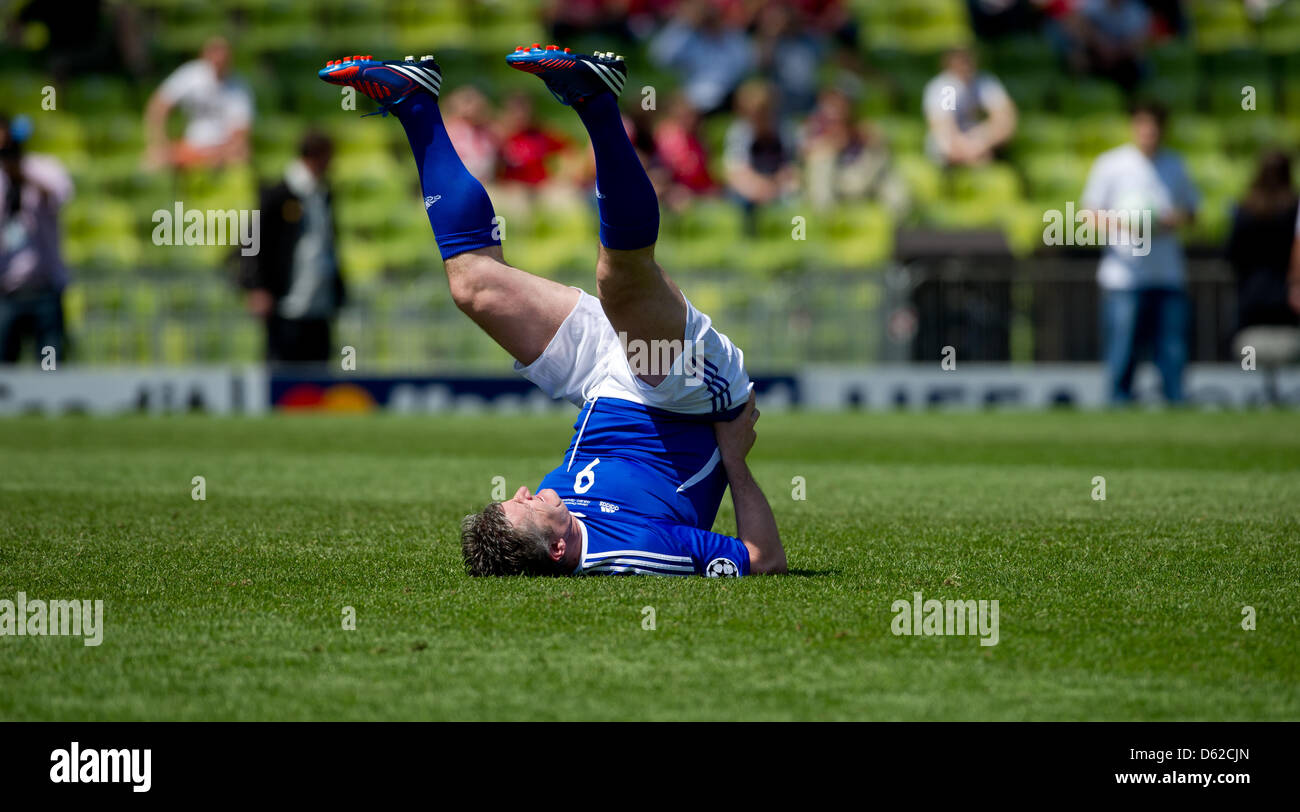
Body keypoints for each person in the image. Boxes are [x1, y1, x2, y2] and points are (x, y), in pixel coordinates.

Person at [319, 46, 786, 577]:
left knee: (474, 287)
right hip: (684, 398)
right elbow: (763, 561)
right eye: (525, 506)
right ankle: (597, 101)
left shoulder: (554, 520)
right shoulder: (629, 549)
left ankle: (414, 101)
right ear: (558, 550)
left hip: (599, 384)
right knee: (618, 279)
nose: (524, 490)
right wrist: (736, 462)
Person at [1081, 101, 1198, 404]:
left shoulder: (1175, 164)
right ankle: (1118, 410)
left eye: (1155, 126)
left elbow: (1193, 212)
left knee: (1172, 351)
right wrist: (1126, 224)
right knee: (1122, 350)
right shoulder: (1111, 164)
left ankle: (1176, 410)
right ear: (1133, 126)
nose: (1149, 132)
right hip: (1124, 276)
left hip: (1166, 274)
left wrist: (1170, 221)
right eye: (1143, 124)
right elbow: (1087, 214)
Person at [241, 131, 346, 365]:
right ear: (318, 156)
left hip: (319, 303)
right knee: (284, 379)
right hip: (285, 304)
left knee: (318, 380)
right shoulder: (280, 193)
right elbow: (250, 238)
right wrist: (256, 286)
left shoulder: (323, 194)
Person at [0, 115, 74, 365]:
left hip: (45, 286)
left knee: (50, 369)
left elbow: (60, 194)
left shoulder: (43, 166)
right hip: (5, 290)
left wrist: (20, 174)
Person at [1227, 150, 1300, 399]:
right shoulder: (1293, 209)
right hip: (1287, 295)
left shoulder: (1244, 209)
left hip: (1252, 296)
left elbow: (1233, 252)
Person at [143, 36, 252, 171]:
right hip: (191, 144)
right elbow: (159, 105)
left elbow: (240, 132)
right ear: (204, 54)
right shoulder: (191, 74)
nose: (218, 58)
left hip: (222, 148)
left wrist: (220, 153)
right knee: (153, 161)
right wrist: (158, 139)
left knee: (240, 157)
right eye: (214, 52)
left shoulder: (239, 86)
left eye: (222, 53)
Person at [921, 47, 1018, 167]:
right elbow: (945, 128)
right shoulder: (947, 88)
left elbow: (1005, 117)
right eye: (959, 58)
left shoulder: (984, 81)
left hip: (976, 140)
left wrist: (981, 143)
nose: (965, 63)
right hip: (949, 147)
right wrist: (967, 151)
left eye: (968, 57)